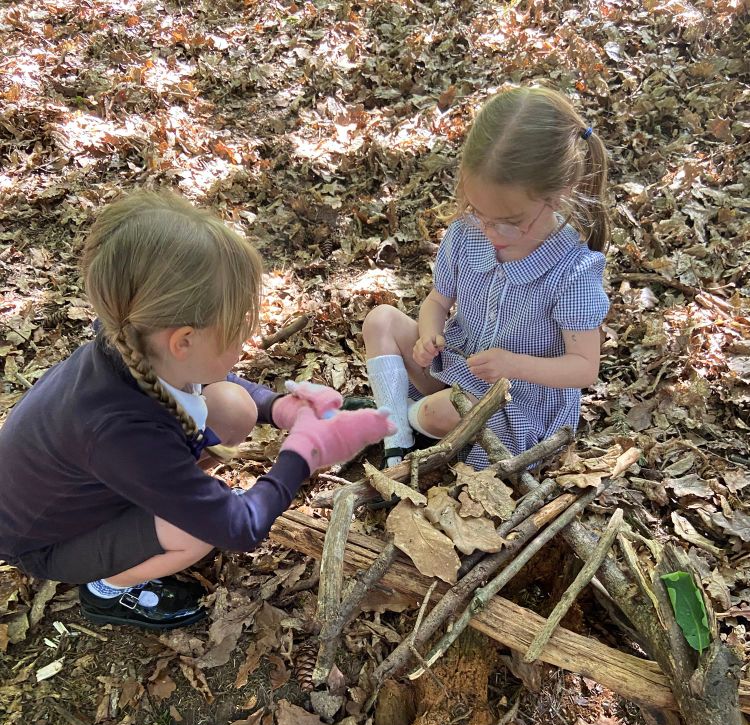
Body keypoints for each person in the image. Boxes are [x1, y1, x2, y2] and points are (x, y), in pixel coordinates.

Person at [0, 191, 393, 630]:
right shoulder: (121, 433)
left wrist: (280, 408)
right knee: (194, 533)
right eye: (237, 332)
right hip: (48, 542)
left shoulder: (135, 341)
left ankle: (173, 501)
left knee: (234, 406)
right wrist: (302, 454)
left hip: (102, 484)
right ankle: (107, 590)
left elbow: (210, 383)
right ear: (183, 341)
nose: (244, 343)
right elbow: (239, 529)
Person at [363, 84, 610, 468]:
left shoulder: (572, 272)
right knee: (381, 320)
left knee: (444, 410)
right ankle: (396, 440)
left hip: (517, 400)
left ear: (559, 195)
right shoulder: (468, 233)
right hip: (458, 366)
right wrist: (429, 334)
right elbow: (437, 301)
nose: (491, 231)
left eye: (509, 222)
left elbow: (584, 368)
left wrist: (512, 364)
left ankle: (398, 420)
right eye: (479, 213)